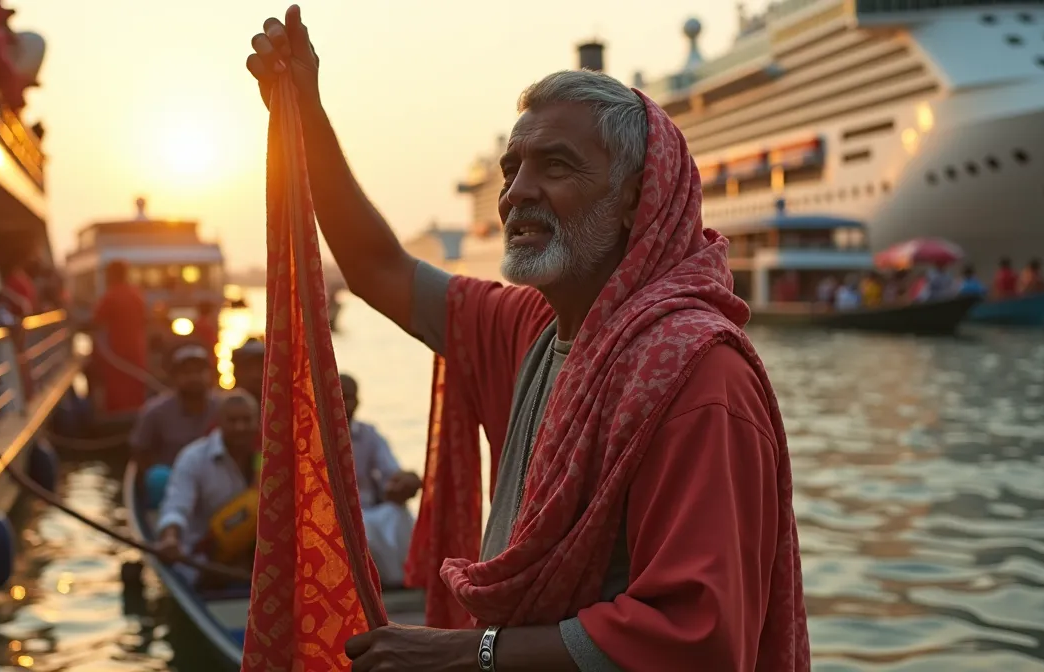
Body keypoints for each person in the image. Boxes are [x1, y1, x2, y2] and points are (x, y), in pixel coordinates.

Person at [247, 8, 807, 670]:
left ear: (637, 198)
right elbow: (380, 270)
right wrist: (303, 111)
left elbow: (699, 637)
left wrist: (472, 654)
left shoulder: (697, 375)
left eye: (555, 166)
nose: (516, 193)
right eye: (512, 168)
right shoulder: (533, 330)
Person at [154, 389, 261, 588]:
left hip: (256, 562)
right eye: (233, 420)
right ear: (219, 422)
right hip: (202, 563)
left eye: (247, 420)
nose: (240, 427)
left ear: (258, 422)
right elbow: (176, 506)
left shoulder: (269, 456)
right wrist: (170, 539)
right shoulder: (193, 458)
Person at [340, 373, 422, 587]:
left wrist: (405, 482)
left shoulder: (368, 435)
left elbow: (391, 473)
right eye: (338, 395)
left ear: (357, 401)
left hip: (368, 511)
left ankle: (403, 583)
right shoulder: (310, 434)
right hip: (332, 516)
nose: (342, 402)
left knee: (397, 514)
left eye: (348, 397)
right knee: (364, 529)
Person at [129, 344, 220, 470]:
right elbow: (140, 450)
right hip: (168, 477)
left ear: (210, 374)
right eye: (187, 372)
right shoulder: (155, 411)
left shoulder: (222, 408)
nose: (194, 377)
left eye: (199, 371)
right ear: (174, 376)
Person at [91, 259, 148, 414]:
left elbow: (96, 321)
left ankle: (119, 417)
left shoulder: (111, 296)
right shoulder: (136, 294)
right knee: (135, 387)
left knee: (118, 391)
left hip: (117, 353)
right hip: (136, 350)